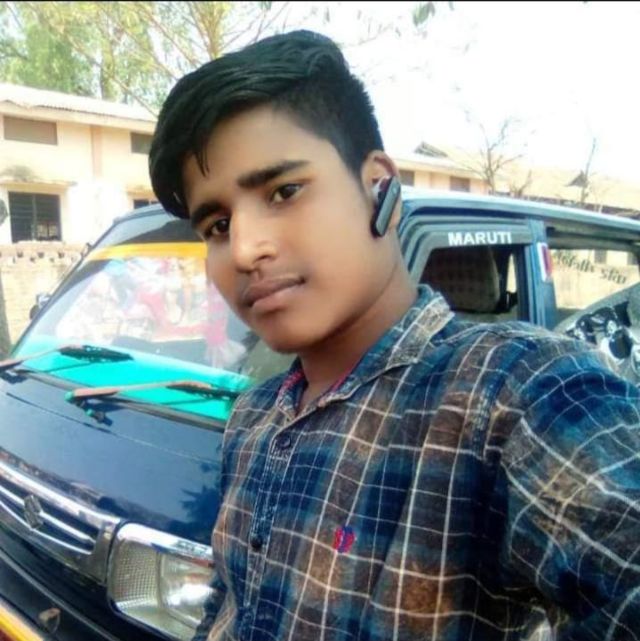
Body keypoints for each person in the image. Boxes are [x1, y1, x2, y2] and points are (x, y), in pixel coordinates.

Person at [149, 29, 640, 641]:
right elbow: (229, 605)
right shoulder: (254, 418)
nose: (246, 249)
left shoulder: (507, 396)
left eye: (284, 192)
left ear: (379, 187)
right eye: (218, 225)